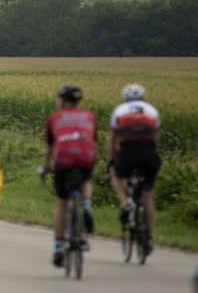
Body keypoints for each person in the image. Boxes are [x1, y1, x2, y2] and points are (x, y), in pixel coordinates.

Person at [42, 85, 97, 268]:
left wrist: (45, 167)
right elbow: (93, 141)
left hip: (64, 160)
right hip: (85, 158)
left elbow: (50, 146)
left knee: (62, 203)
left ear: (63, 100)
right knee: (86, 180)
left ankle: (58, 247)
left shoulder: (54, 117)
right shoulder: (89, 116)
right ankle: (87, 206)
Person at [109, 83, 161, 256]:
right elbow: (156, 136)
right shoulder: (152, 110)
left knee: (116, 175)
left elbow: (114, 139)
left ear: (125, 98)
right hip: (148, 153)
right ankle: (149, 236)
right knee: (148, 195)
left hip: (128, 152)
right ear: (143, 97)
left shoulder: (120, 110)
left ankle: (126, 202)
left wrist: (112, 159)